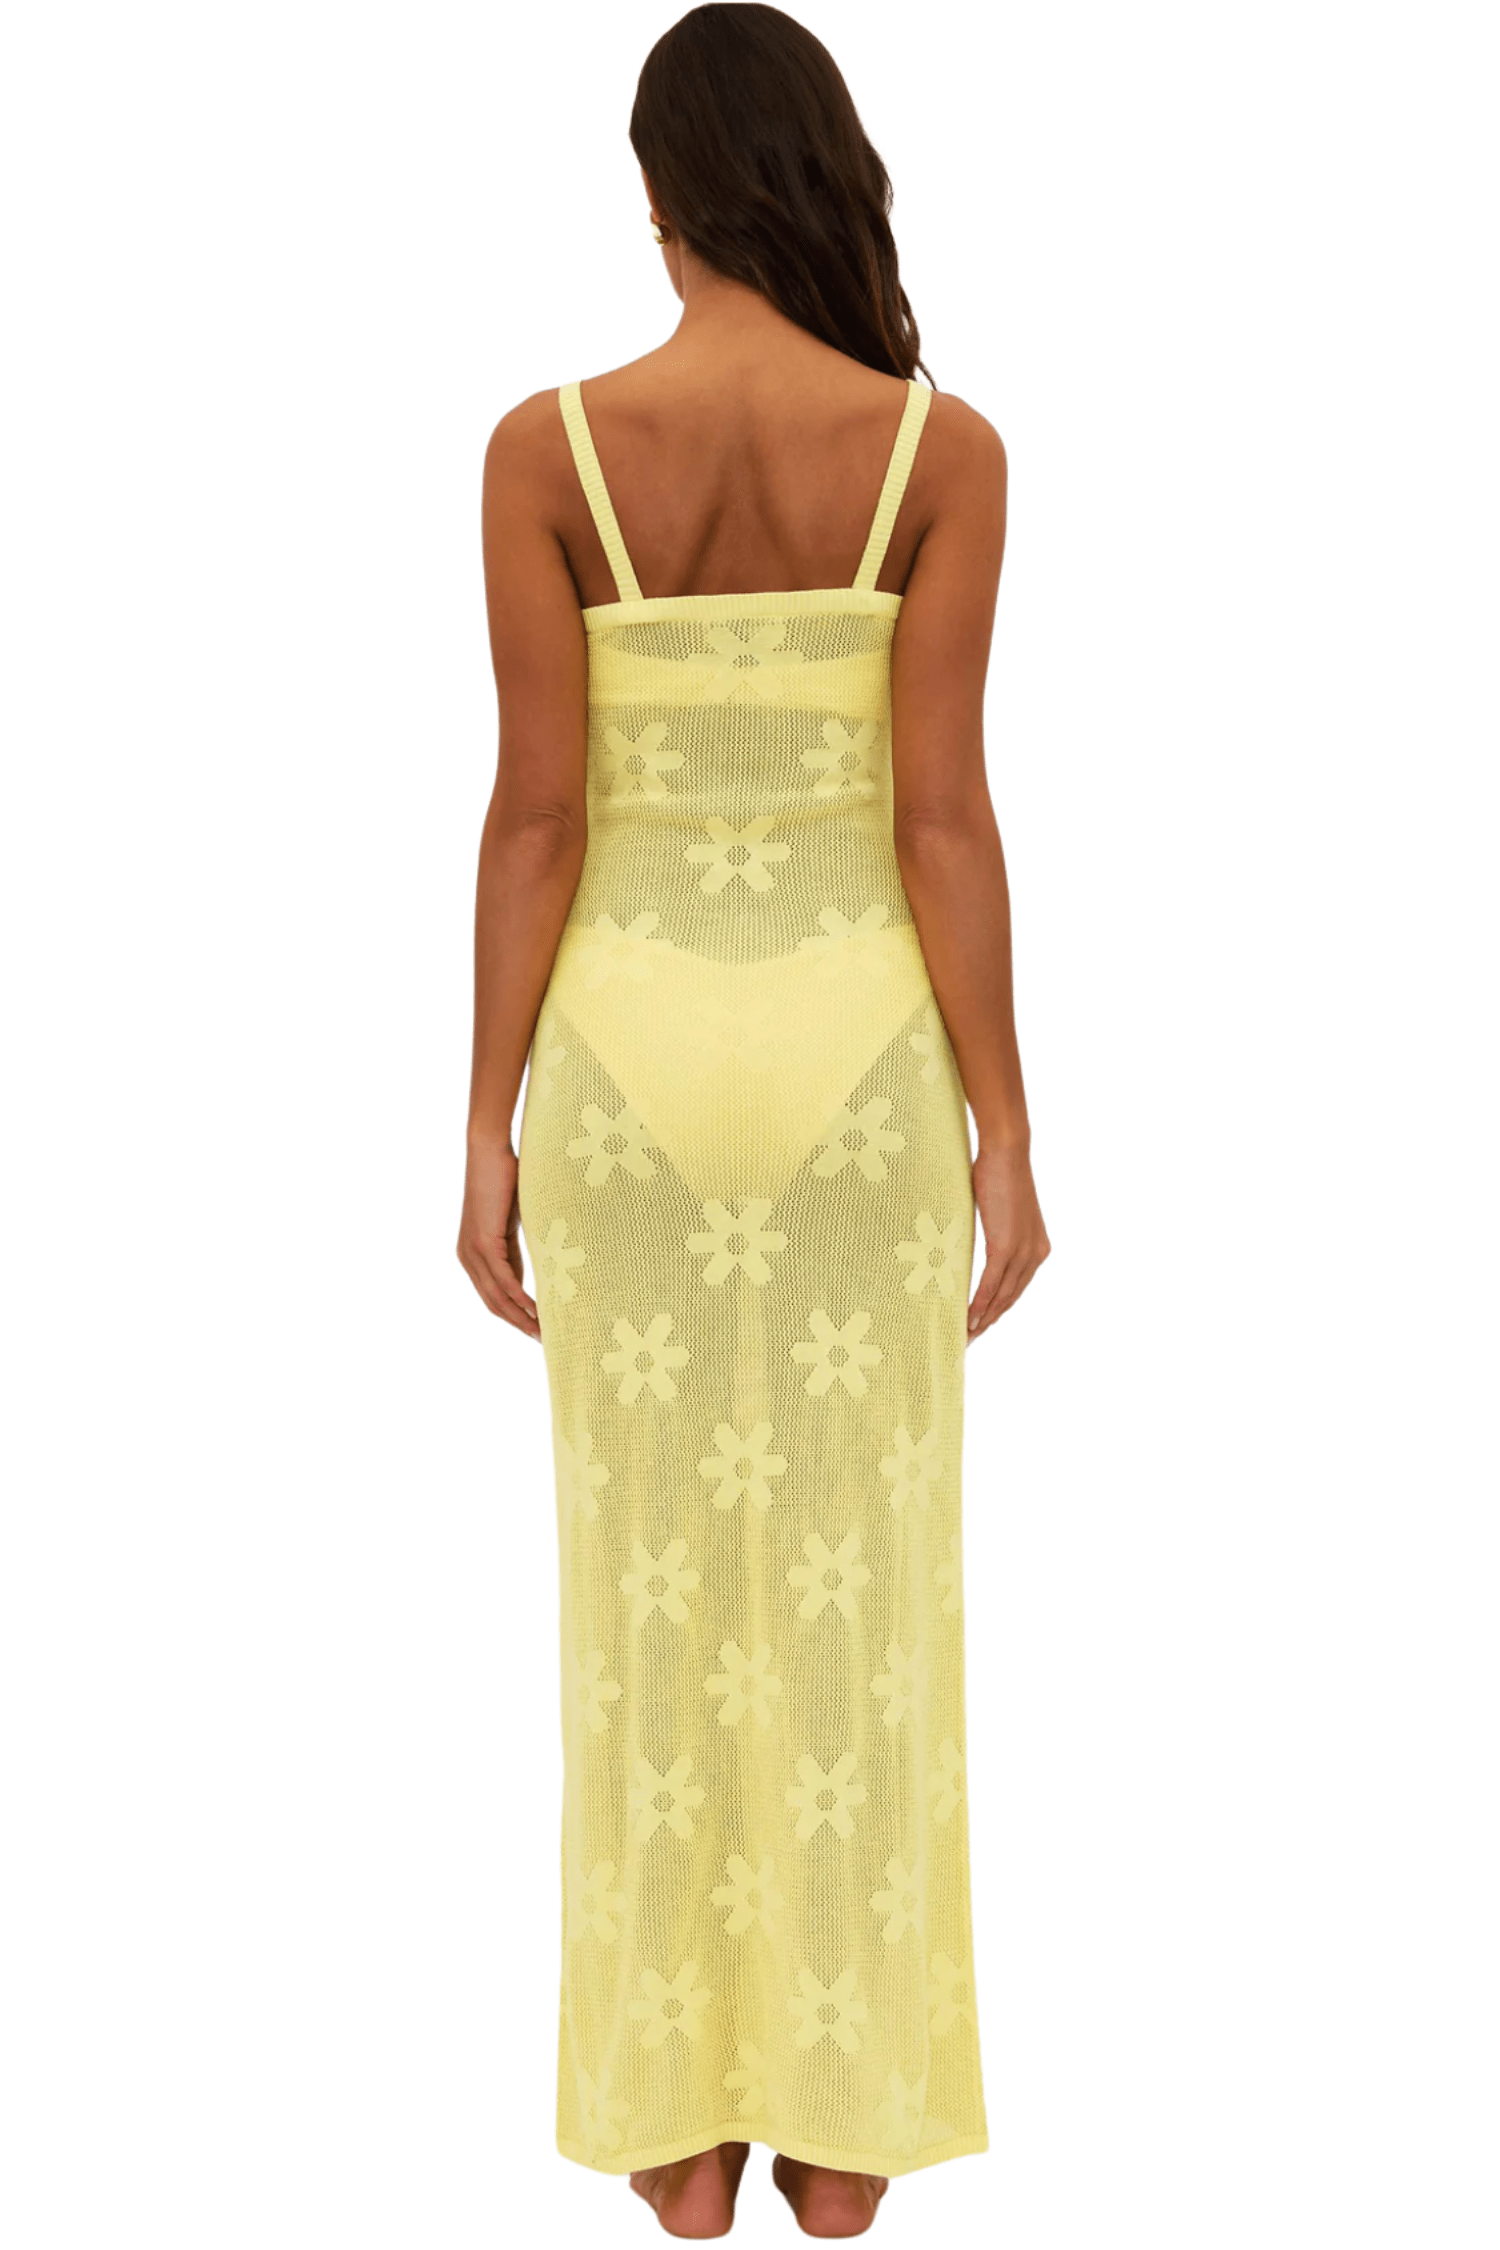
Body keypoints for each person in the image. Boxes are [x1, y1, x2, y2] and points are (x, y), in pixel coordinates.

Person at [457, 5, 1049, 2235]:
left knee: (641, 1604)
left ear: (658, 194)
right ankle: (845, 2129)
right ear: (827, 173)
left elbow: (535, 816)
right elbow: (943, 818)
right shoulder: (940, 454)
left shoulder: (545, 451)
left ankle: (675, 2132)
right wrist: (1009, 1132)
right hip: (860, 1077)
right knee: (860, 1595)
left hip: (618, 1077)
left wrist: (487, 1124)